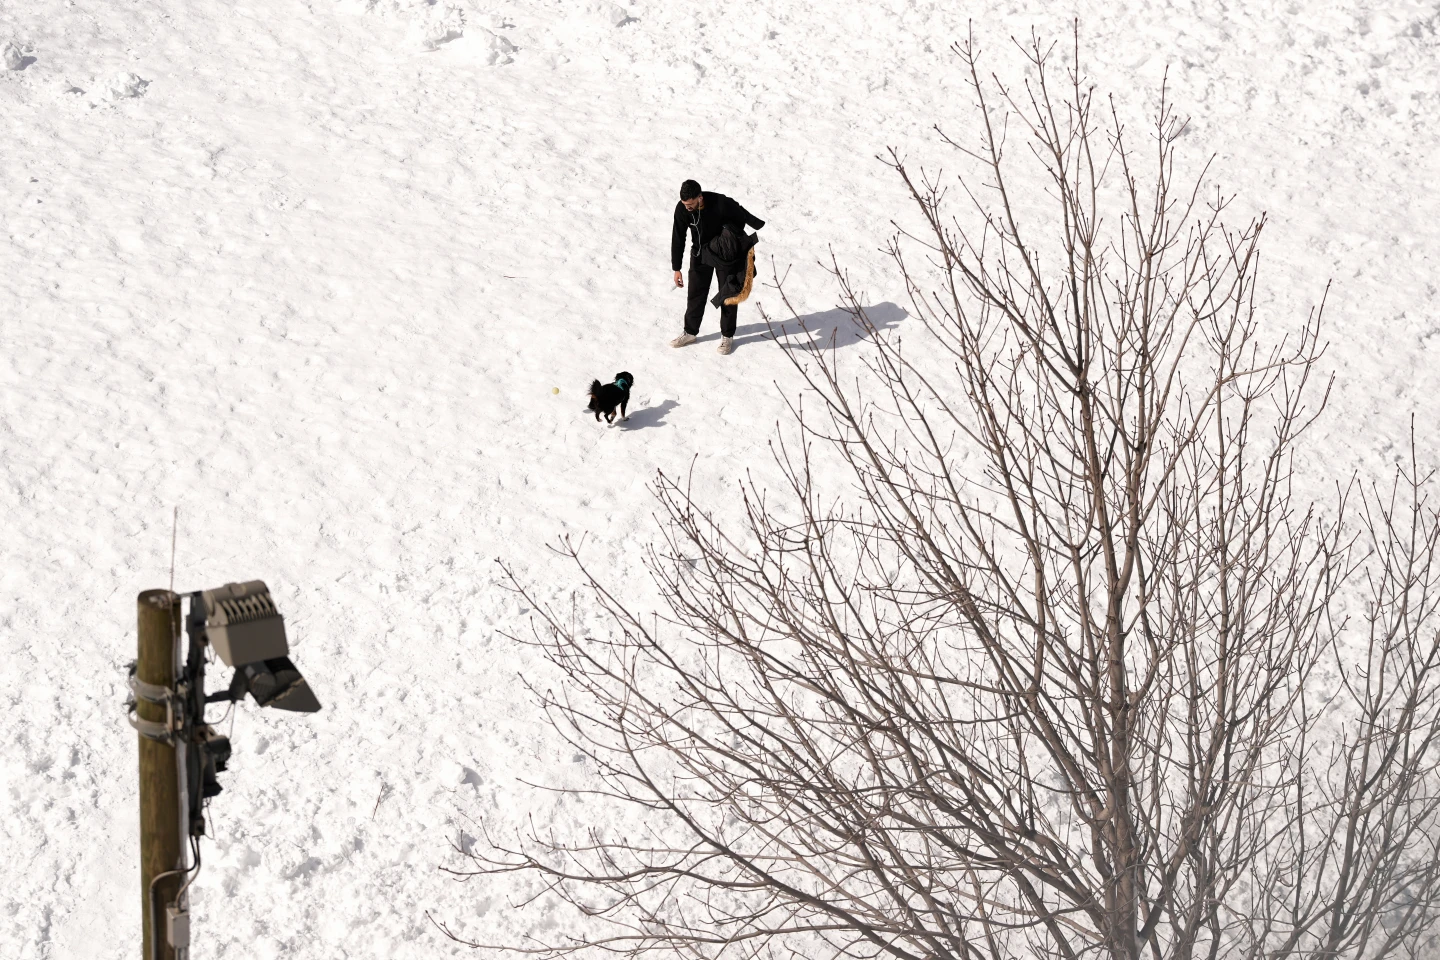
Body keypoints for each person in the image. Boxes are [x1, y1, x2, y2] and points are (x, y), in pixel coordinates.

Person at [669, 179, 765, 355]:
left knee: (727, 294)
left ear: (700, 197)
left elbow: (740, 218)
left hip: (723, 255)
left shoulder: (720, 203)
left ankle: (727, 336)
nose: (687, 208)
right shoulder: (682, 209)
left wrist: (727, 237)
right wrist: (677, 268)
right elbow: (678, 237)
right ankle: (690, 332)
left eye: (690, 204)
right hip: (700, 255)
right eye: (685, 204)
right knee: (695, 295)